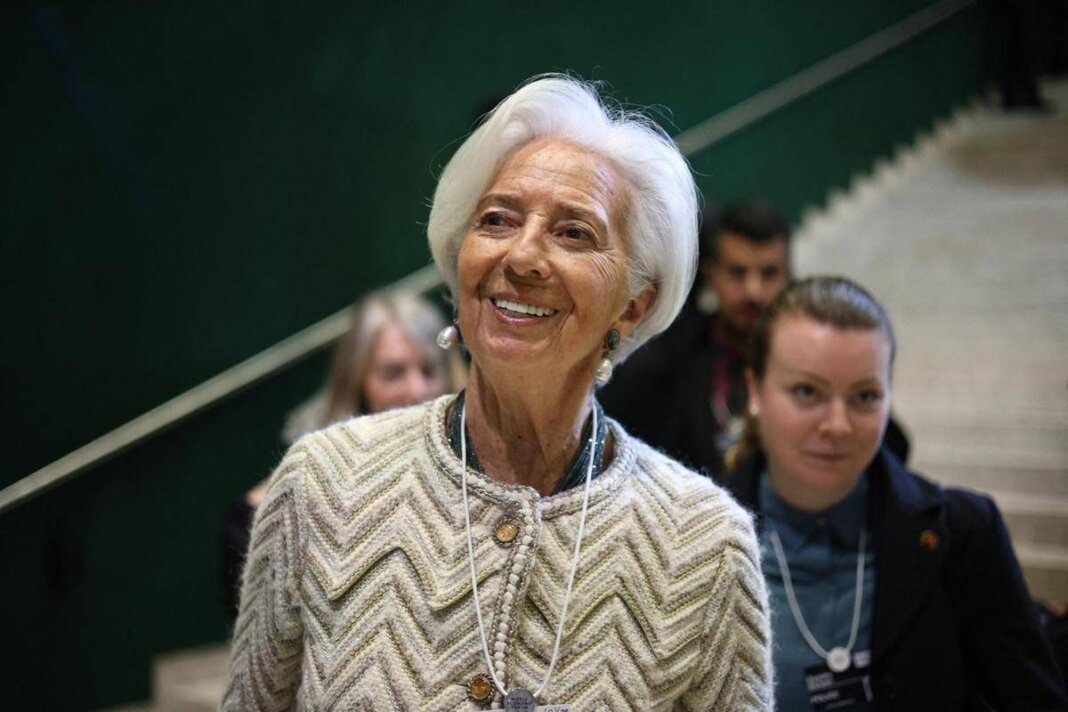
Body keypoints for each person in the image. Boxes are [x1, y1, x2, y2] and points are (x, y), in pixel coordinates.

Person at [224, 75, 773, 710]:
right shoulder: (323, 483)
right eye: (496, 220)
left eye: (574, 233)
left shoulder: (705, 544)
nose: (522, 255)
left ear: (632, 306)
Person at [724, 276, 1067, 710]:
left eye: (864, 396)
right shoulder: (705, 537)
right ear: (755, 391)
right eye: (808, 392)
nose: (838, 425)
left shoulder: (963, 533)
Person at [221, 290, 465, 617]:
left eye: (429, 370)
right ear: (357, 380)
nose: (417, 390)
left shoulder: (471, 470)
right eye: (393, 373)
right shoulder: (289, 493)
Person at [600, 200, 791, 480]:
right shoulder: (661, 365)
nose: (753, 291)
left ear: (788, 276)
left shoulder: (806, 363)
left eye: (769, 273)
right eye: (737, 273)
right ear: (711, 274)